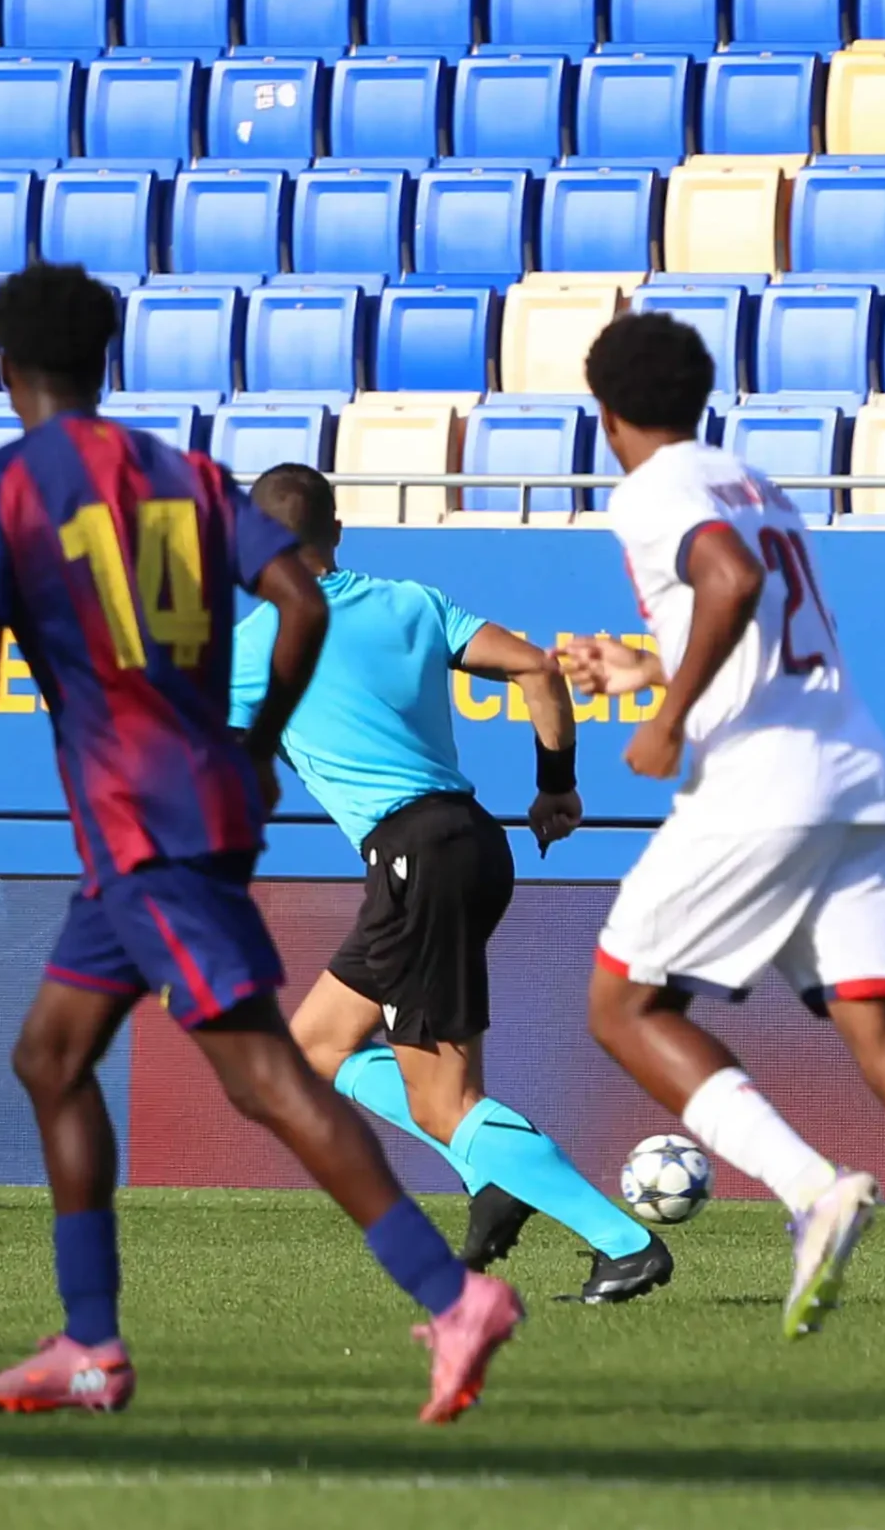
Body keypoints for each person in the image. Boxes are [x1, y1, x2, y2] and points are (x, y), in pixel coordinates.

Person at [0, 264, 520, 1421]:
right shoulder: (184, 472)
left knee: (263, 1071)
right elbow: (300, 602)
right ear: (104, 364)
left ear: (1, 368)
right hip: (175, 809)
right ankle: (89, 1344)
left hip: (142, 818)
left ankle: (454, 1296)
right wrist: (254, 740)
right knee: (52, 1059)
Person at [552, 311, 885, 1387]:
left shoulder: (654, 489)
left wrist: (666, 718)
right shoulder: (750, 478)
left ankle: (813, 1188)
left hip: (760, 784)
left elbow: (725, 584)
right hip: (859, 770)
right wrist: (642, 672)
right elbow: (755, 621)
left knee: (623, 1006)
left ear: (608, 416)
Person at [229, 462, 671, 1305]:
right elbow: (539, 669)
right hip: (472, 842)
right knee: (317, 1046)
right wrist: (556, 784)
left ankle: (621, 1239)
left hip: (412, 863)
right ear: (338, 530)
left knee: (443, 1101)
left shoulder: (260, 644)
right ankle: (493, 1166)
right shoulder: (411, 602)